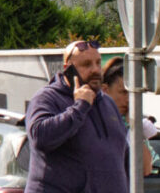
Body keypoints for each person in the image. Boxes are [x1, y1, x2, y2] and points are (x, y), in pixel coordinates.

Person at [24, 40, 129, 193]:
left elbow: (122, 157)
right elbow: (39, 137)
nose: (95, 70)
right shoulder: (47, 98)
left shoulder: (107, 103)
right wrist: (80, 107)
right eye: (87, 64)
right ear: (68, 70)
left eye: (98, 63)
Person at [100, 57, 154, 176]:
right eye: (124, 92)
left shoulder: (131, 125)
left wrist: (133, 127)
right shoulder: (94, 122)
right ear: (105, 90)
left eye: (133, 94)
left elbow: (145, 169)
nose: (130, 100)